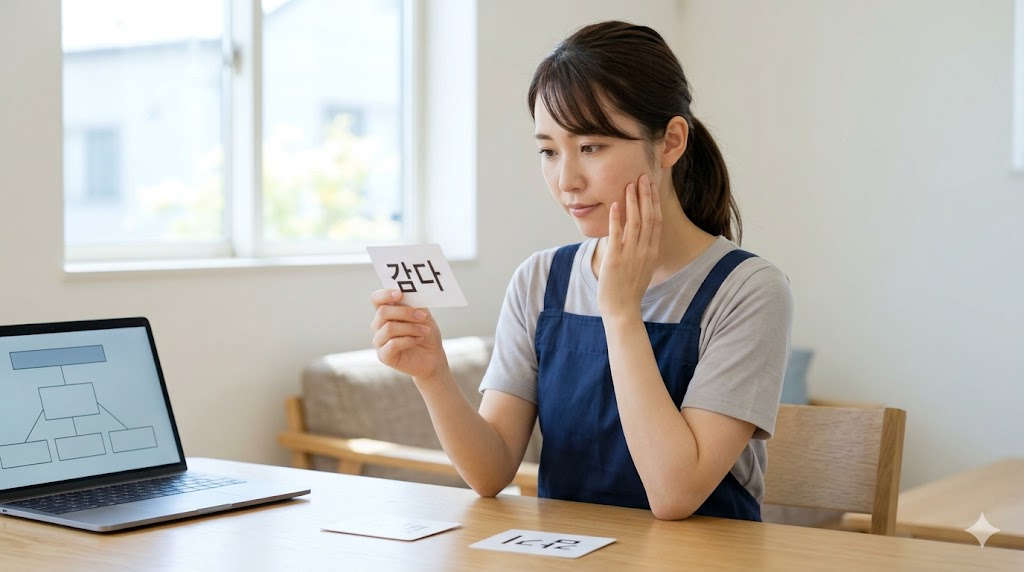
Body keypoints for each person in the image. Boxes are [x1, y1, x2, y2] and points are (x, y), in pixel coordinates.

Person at [370, 21, 793, 521]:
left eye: (591, 147)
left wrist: (619, 310)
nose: (566, 180)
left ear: (671, 142)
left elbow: (675, 494)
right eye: (549, 151)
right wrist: (433, 375)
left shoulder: (748, 290)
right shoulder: (539, 279)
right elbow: (490, 472)